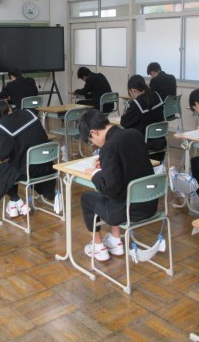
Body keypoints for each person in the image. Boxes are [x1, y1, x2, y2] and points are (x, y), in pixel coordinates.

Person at [78, 109, 157, 261]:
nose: (94, 144)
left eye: (91, 140)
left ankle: (98, 247)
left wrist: (96, 174)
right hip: (150, 204)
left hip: (128, 210)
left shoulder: (108, 148)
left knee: (87, 198)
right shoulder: (134, 134)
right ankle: (115, 241)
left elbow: (110, 189)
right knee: (116, 189)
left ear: (94, 132)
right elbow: (130, 163)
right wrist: (107, 164)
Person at [0, 100, 57, 218]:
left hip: (29, 171)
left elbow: (2, 155)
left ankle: (17, 201)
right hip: (46, 165)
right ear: (10, 109)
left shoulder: (2, 128)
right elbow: (44, 136)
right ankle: (14, 205)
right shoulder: (29, 113)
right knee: (12, 166)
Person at [120, 75, 166, 155]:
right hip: (161, 142)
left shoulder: (137, 104)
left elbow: (124, 123)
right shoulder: (156, 95)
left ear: (133, 90)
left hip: (144, 145)